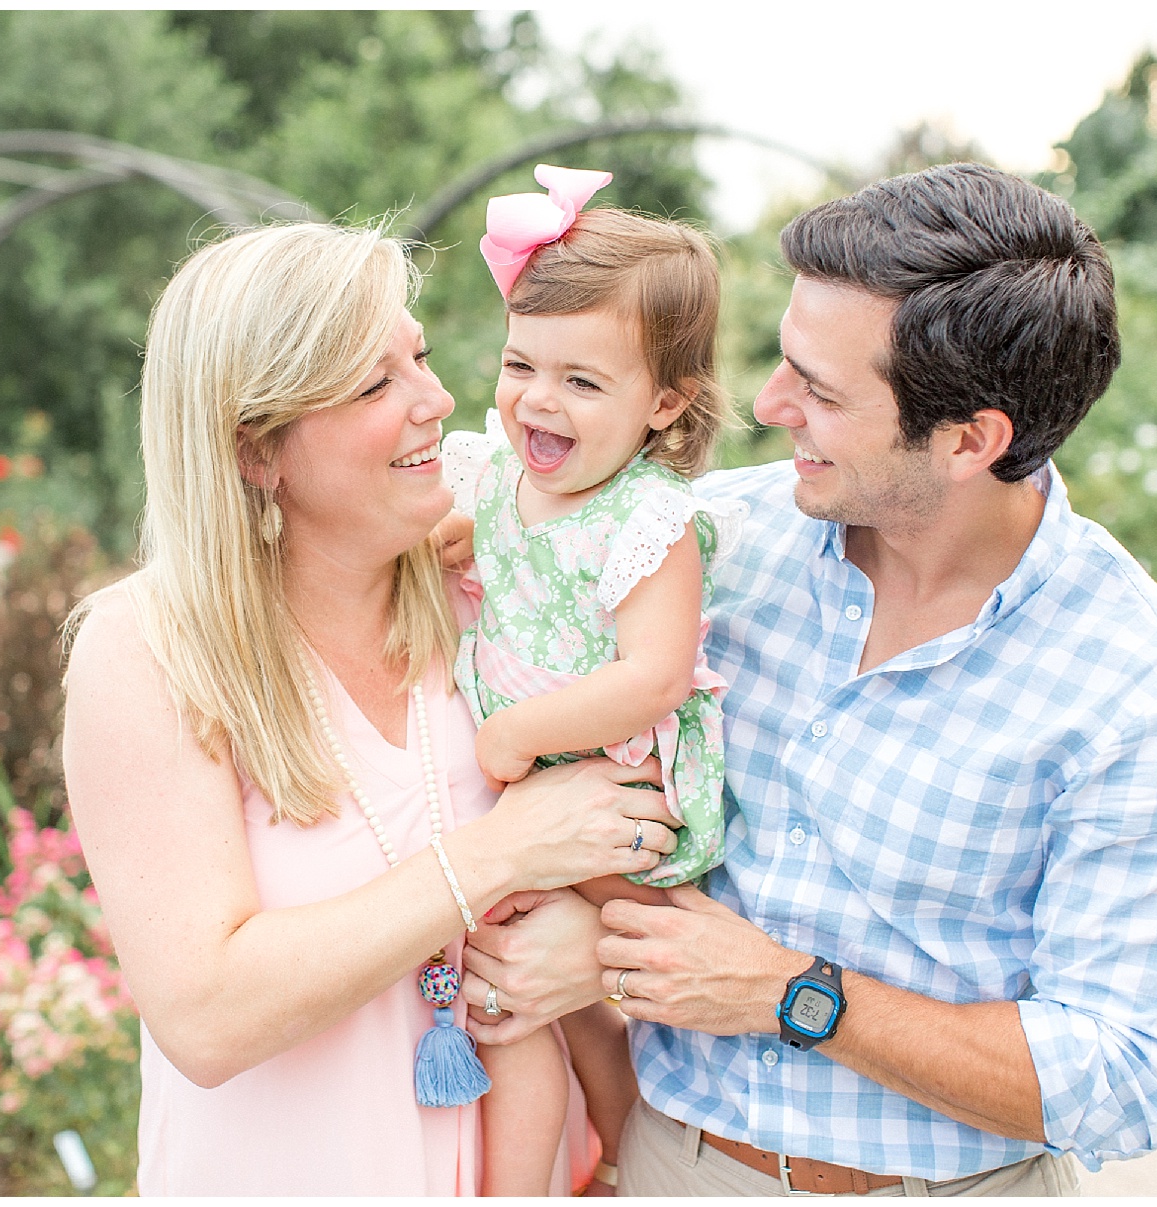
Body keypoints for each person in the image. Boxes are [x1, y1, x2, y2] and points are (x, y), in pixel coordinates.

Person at [454, 163, 1157, 1196]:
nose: (767, 403)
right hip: (668, 1163)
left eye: (821, 391)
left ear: (972, 440)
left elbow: (1122, 1079)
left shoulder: (1142, 694)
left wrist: (796, 994)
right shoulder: (710, 542)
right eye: (786, 362)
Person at [60, 221, 682, 1196]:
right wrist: (501, 856)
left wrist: (593, 958)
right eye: (373, 385)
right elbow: (209, 1016)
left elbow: (636, 837)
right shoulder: (147, 651)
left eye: (421, 358)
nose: (436, 401)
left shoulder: (495, 583)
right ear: (256, 451)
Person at [439, 165, 745, 1194]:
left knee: (603, 965)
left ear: (665, 402)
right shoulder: (495, 477)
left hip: (617, 789)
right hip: (533, 783)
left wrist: (515, 734)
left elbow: (654, 675)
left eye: (583, 381)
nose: (537, 399)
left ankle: (629, 1151)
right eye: (523, 363)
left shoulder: (648, 520)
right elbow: (449, 544)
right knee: (525, 996)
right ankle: (590, 1167)